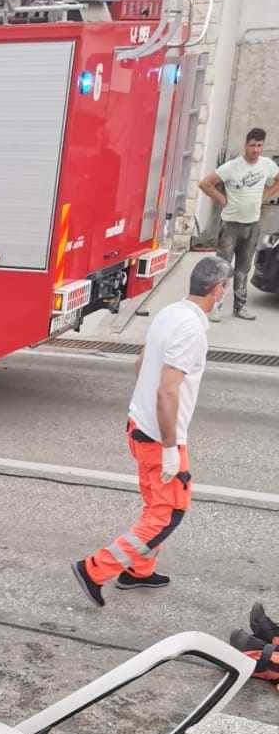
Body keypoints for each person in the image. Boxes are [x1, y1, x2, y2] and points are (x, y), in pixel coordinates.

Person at [72, 255, 230, 605]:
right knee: (168, 514)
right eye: (226, 288)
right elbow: (167, 392)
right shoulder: (191, 330)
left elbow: (141, 364)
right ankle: (94, 569)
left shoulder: (170, 312)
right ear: (218, 289)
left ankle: (138, 571)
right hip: (160, 437)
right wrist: (171, 448)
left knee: (155, 507)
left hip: (140, 427)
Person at [199, 128, 279, 321]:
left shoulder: (266, 165)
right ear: (245, 145)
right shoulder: (232, 167)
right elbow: (205, 184)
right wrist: (221, 199)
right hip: (231, 226)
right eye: (252, 145)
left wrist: (265, 196)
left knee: (243, 269)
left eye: (259, 145)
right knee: (222, 268)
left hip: (253, 225)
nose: (256, 149)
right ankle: (215, 306)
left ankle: (240, 307)